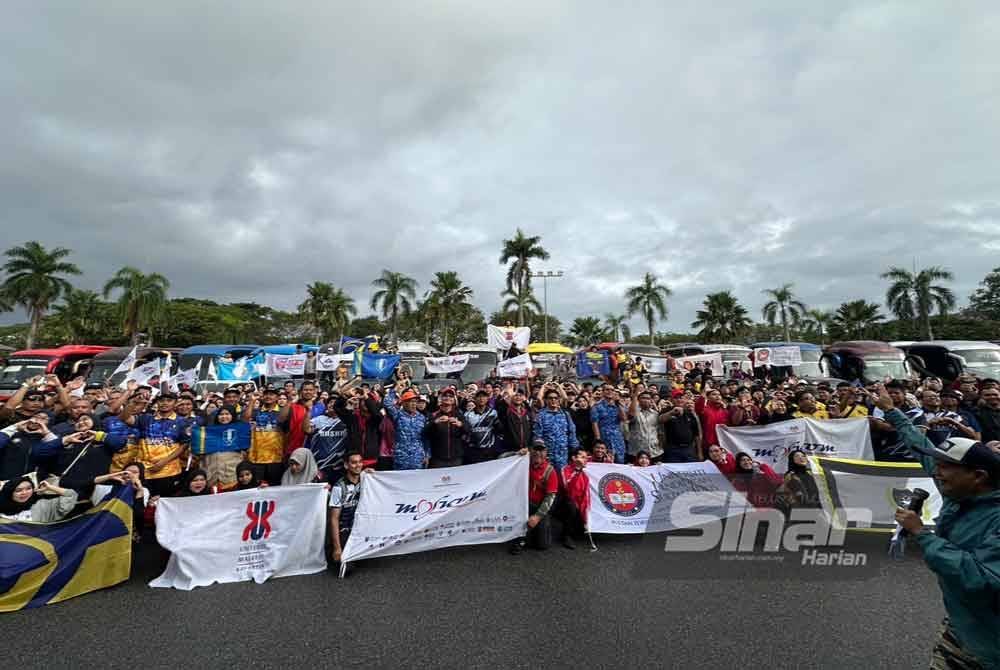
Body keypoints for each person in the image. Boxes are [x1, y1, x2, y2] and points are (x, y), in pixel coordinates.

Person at [877, 390, 1000, 668]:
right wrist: (891, 411)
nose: (937, 472)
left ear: (978, 476)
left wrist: (922, 535)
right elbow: (918, 443)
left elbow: (980, 579)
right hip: (962, 623)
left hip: (988, 639)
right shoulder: (960, 489)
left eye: (946, 466)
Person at [120, 392, 190, 498]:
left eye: (169, 400)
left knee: (163, 504)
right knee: (143, 502)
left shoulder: (182, 422)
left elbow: (184, 445)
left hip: (169, 471)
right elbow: (124, 418)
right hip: (144, 470)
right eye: (161, 400)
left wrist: (163, 462)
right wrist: (133, 402)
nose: (164, 403)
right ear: (157, 402)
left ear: (175, 404)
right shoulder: (146, 418)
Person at [511, 440, 558, 554]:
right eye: (535, 449)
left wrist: (537, 517)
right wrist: (516, 454)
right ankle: (521, 537)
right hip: (522, 504)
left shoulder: (550, 471)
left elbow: (550, 497)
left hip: (539, 506)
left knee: (543, 545)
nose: (538, 453)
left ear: (546, 452)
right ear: (530, 450)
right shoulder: (522, 462)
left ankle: (536, 529)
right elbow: (502, 458)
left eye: (541, 450)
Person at [243, 387, 286, 485]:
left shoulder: (282, 412)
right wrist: (252, 401)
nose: (268, 396)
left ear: (277, 397)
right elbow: (245, 420)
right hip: (257, 457)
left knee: (275, 488)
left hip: (276, 458)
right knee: (257, 488)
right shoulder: (256, 411)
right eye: (266, 394)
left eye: (272, 394)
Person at [0, 412, 61, 480]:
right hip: (3, 479)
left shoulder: (49, 440)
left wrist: (46, 433)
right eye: (36, 416)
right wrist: (15, 427)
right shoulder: (15, 434)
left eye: (43, 419)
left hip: (27, 483)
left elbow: (56, 448)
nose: (36, 420)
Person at [383, 383, 430, 470]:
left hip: (417, 458)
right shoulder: (398, 415)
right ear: (403, 403)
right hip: (401, 457)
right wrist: (395, 389)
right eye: (410, 401)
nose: (414, 404)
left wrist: (427, 455)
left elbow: (425, 438)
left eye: (415, 401)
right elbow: (387, 402)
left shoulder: (422, 418)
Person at [330, 451, 365, 565]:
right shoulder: (339, 487)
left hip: (361, 528)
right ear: (346, 465)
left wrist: (371, 474)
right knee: (347, 566)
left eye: (360, 462)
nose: (358, 465)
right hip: (344, 530)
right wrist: (337, 548)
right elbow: (334, 519)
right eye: (354, 463)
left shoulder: (366, 480)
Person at [200, 406, 246, 492]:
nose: (224, 417)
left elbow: (245, 452)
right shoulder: (209, 432)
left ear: (233, 416)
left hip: (231, 476)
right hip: (211, 477)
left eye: (227, 414)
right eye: (221, 414)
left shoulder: (239, 432)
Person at [303, 399, 349, 484]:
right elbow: (307, 430)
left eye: (335, 403)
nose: (332, 404)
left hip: (340, 465)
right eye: (330, 402)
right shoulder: (319, 420)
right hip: (320, 465)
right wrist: (308, 411)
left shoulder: (347, 420)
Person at [533, 386, 578, 471]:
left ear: (559, 400)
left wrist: (575, 449)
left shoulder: (565, 414)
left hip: (563, 454)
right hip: (547, 455)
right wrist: (540, 452)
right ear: (546, 400)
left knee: (563, 478)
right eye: (550, 398)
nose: (553, 400)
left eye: (555, 398)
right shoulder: (540, 415)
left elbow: (572, 431)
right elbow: (537, 435)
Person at [424, 388, 470, 468]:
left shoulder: (459, 414)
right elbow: (425, 433)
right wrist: (435, 423)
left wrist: (461, 424)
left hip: (455, 458)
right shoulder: (433, 415)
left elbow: (468, 430)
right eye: (445, 396)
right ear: (441, 399)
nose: (448, 398)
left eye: (450, 396)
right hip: (438, 458)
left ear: (453, 399)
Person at [0, 477, 78, 521]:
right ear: (9, 492)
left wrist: (50, 487)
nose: (24, 493)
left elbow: (71, 495)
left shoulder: (43, 505)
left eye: (28, 488)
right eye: (18, 490)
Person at [559, 448, 590, 549]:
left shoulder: (585, 475)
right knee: (570, 506)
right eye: (582, 457)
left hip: (577, 504)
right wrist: (576, 470)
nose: (584, 460)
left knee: (580, 532)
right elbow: (568, 489)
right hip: (563, 502)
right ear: (573, 458)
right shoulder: (565, 469)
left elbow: (585, 496)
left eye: (585, 458)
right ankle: (565, 535)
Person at [660, 395, 702, 462]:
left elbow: (696, 435)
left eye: (681, 397)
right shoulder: (666, 410)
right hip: (672, 449)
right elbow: (660, 420)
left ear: (685, 400)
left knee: (690, 470)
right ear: (672, 400)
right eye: (676, 398)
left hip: (689, 449)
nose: (679, 400)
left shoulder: (690, 414)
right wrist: (672, 412)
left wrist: (700, 452)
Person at [590, 384, 626, 463]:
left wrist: (618, 403)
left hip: (617, 439)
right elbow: (594, 424)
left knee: (620, 462)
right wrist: (598, 440)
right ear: (602, 392)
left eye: (612, 390)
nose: (610, 391)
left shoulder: (618, 405)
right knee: (606, 462)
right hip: (604, 438)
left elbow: (624, 418)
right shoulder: (596, 407)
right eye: (607, 389)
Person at [463, 390, 501, 464]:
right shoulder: (467, 414)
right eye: (479, 396)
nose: (481, 399)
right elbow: (465, 431)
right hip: (473, 450)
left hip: (489, 450)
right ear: (475, 399)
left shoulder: (493, 413)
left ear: (487, 399)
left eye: (484, 396)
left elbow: (499, 429)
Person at [628, 387, 663, 462]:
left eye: (648, 398)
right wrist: (635, 396)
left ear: (651, 401)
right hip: (636, 451)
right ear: (638, 400)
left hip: (655, 451)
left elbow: (660, 431)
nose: (646, 400)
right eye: (643, 398)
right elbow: (631, 414)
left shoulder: (656, 414)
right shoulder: (635, 412)